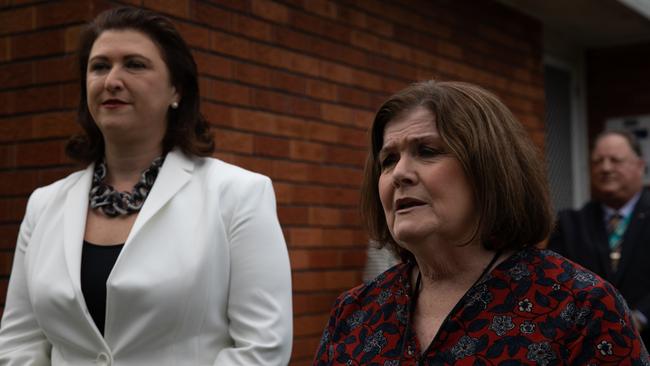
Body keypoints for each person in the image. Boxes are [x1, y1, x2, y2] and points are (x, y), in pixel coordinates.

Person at [0, 7, 292, 365]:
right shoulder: (43, 205)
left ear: (176, 89)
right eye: (99, 66)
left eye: (134, 64)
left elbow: (262, 348)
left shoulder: (238, 194)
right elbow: (18, 341)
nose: (112, 80)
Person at [313, 80, 649, 364]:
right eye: (388, 159)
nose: (399, 173)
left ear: (489, 168)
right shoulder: (353, 313)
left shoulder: (580, 308)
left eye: (427, 151)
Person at [548, 130, 650, 347]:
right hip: (588, 347)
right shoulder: (569, 224)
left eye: (615, 160)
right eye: (598, 161)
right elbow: (554, 284)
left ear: (640, 166)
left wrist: (639, 317)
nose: (605, 168)